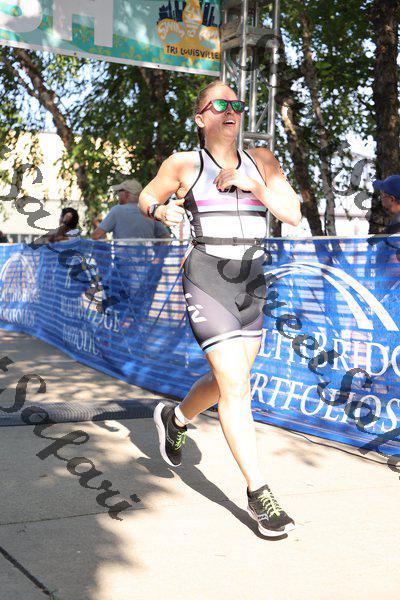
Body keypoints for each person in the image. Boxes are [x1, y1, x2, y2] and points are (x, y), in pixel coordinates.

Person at [138, 80, 301, 538]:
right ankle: (258, 492)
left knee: (228, 381)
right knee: (235, 385)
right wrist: (160, 212)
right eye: (220, 105)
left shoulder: (262, 159)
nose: (232, 111)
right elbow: (148, 195)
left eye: (238, 105)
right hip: (207, 274)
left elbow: (292, 213)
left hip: (251, 279)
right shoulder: (184, 163)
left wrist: (255, 185)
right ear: (200, 117)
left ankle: (176, 417)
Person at [91, 178, 170, 240]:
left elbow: (96, 235)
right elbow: (166, 236)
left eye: (119, 191)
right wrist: (159, 255)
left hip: (122, 256)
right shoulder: (149, 211)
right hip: (146, 256)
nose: (118, 194)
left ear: (126, 193)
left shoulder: (117, 210)